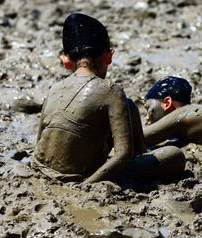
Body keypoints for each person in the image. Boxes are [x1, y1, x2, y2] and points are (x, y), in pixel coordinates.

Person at [32, 13, 185, 184]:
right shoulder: (111, 91)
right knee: (174, 155)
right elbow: (123, 155)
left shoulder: (54, 89)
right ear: (109, 56)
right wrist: (88, 185)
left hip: (42, 170)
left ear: (66, 61)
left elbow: (39, 145)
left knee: (129, 105)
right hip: (82, 177)